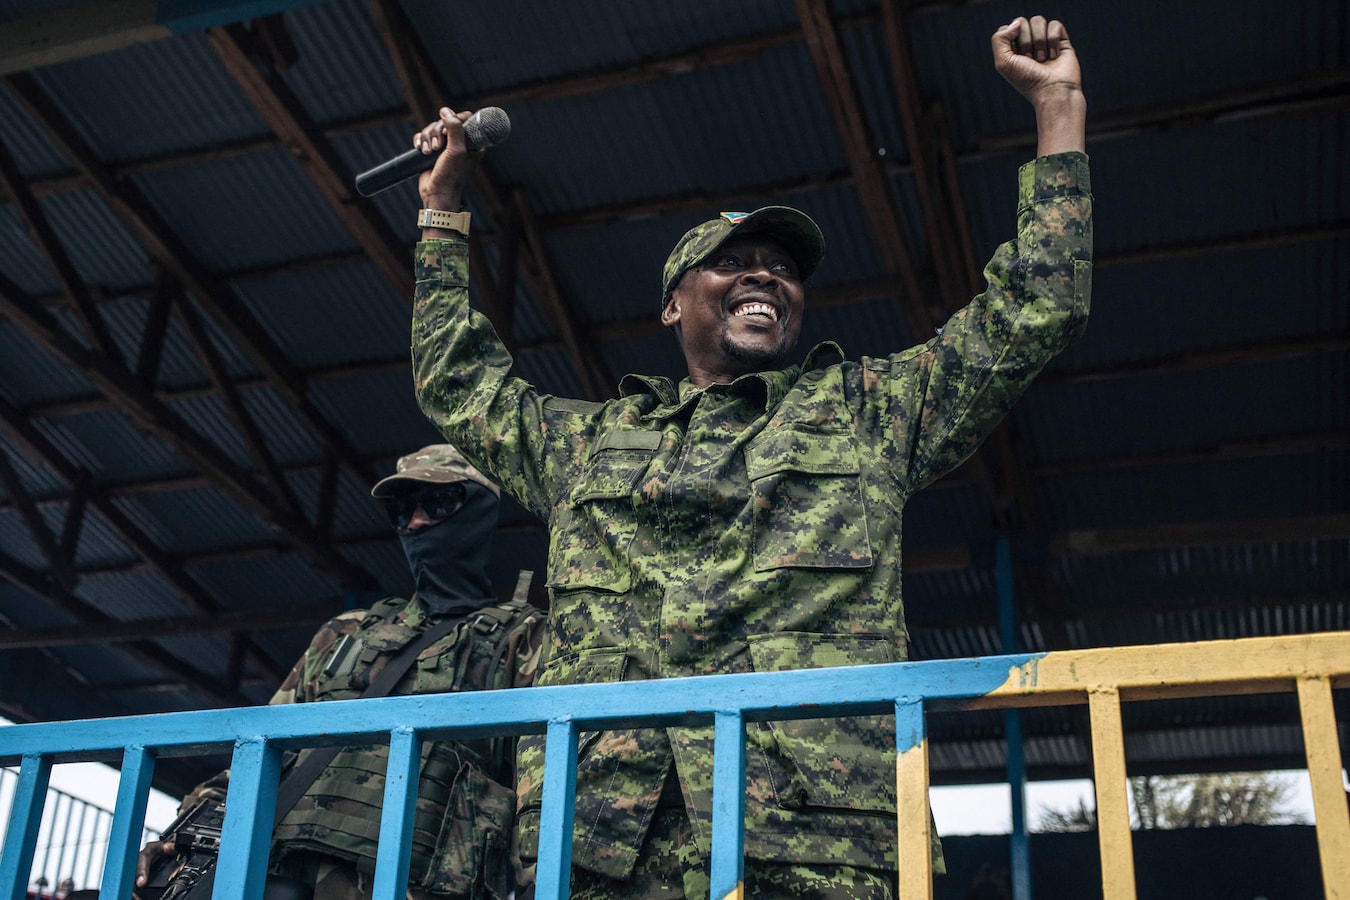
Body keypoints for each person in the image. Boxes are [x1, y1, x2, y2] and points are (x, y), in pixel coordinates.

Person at [407, 13, 1090, 899]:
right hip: (604, 851)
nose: (765, 275)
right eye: (732, 262)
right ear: (673, 304)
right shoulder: (584, 447)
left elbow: (1031, 310)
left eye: (783, 268)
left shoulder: (867, 414)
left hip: (814, 850)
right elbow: (457, 380)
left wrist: (1058, 110)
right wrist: (443, 211)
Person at [135, 445, 546, 900]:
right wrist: (182, 836)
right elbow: (259, 753)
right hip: (284, 878)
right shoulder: (346, 633)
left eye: (437, 503)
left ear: (480, 511)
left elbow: (539, 794)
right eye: (401, 510)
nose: (415, 523)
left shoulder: (522, 640)